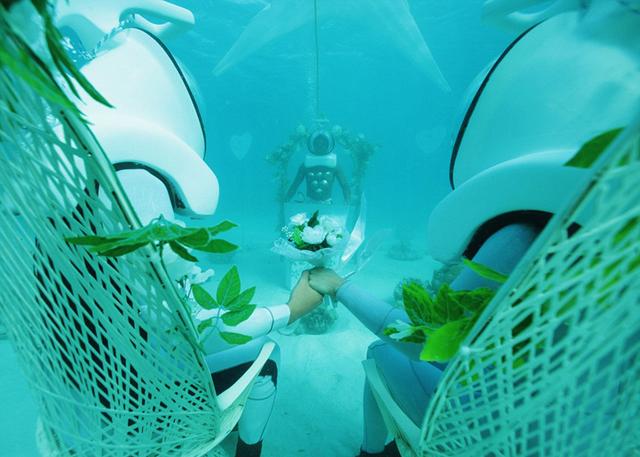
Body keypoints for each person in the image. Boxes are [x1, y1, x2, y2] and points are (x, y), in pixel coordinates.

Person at [308, 223, 542, 456]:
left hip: (496, 433)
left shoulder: (520, 236)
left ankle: (370, 453)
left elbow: (421, 341)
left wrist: (338, 287)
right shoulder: (560, 229)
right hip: (544, 426)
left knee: (379, 352)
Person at [285, 130, 351, 204]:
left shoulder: (335, 165)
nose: (320, 146)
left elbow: (344, 185)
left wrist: (348, 201)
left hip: (327, 203)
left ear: (328, 145)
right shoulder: (305, 165)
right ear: (313, 145)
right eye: (317, 144)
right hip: (309, 203)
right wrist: (286, 199)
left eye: (323, 144)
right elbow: (295, 184)